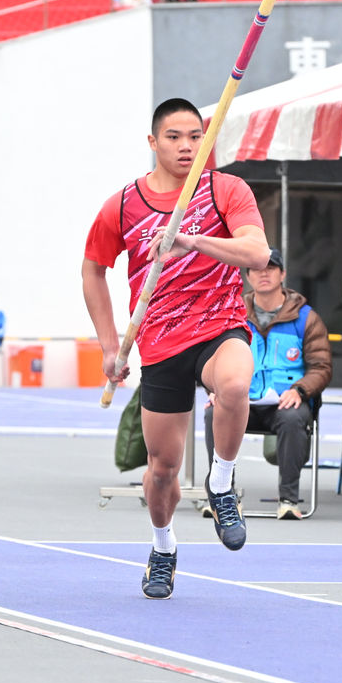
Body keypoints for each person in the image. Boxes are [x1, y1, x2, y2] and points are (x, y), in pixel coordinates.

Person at [82, 97, 269, 600]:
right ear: (152, 142)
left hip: (219, 327)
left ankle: (221, 483)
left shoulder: (225, 190)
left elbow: (257, 253)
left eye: (195, 137)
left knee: (236, 384)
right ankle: (163, 548)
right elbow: (93, 269)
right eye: (174, 137)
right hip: (161, 343)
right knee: (162, 470)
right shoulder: (123, 204)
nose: (186, 146)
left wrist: (193, 241)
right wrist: (109, 346)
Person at [203, 247, 332, 520]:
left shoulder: (306, 318)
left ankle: (289, 500)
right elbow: (210, 357)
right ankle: (223, 495)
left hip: (284, 403)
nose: (264, 273)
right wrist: (214, 388)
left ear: (282, 274)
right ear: (248, 276)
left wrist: (300, 390)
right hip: (241, 399)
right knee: (214, 412)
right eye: (257, 269)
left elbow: (321, 366)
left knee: (293, 417)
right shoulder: (232, 313)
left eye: (271, 268)